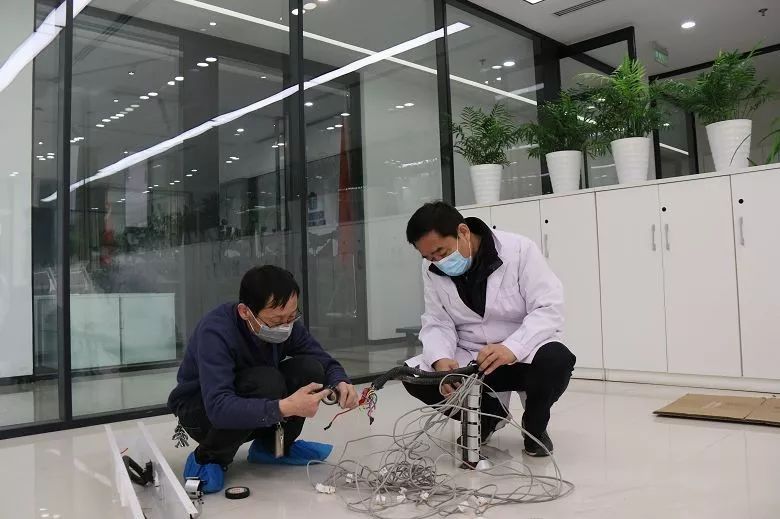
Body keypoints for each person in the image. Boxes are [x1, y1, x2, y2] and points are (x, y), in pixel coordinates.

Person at [403, 202, 576, 457]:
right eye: (429, 257)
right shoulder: (432, 268)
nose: (437, 262)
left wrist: (511, 348)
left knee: (556, 361)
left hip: (522, 351)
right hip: (472, 354)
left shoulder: (519, 250)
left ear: (463, 232)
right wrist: (441, 359)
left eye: (441, 252)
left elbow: (548, 307)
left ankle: (535, 425)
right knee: (416, 377)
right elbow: (438, 321)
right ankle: (489, 416)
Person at [168, 265, 358, 493]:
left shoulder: (286, 324)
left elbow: (322, 359)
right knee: (267, 382)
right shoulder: (216, 332)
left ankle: (274, 448)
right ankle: (208, 457)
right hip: (202, 412)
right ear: (245, 312)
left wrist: (340, 381)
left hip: (255, 397)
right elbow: (218, 406)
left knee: (309, 370)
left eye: (292, 316)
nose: (285, 326)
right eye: (275, 321)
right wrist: (285, 407)